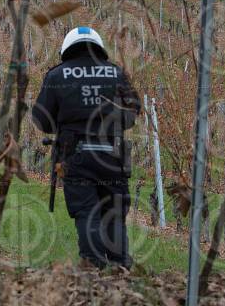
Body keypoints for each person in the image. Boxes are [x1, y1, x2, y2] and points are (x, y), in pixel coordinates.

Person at [32, 27, 140, 269]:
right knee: (113, 212)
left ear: (67, 48)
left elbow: (42, 120)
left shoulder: (56, 76)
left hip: (75, 156)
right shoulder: (116, 73)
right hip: (113, 155)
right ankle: (120, 266)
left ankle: (93, 267)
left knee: (86, 212)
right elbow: (133, 111)